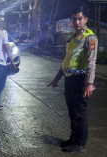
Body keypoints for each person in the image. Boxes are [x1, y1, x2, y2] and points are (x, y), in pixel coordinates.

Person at [48, 8, 98, 152]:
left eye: (80, 19)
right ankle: (73, 139)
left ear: (86, 20)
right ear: (71, 21)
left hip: (81, 80)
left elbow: (91, 63)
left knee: (79, 112)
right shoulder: (71, 38)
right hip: (70, 79)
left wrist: (89, 84)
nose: (77, 22)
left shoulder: (90, 38)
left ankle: (80, 144)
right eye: (74, 19)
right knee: (72, 111)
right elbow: (66, 61)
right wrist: (57, 78)